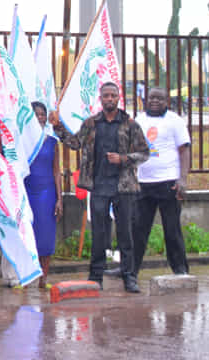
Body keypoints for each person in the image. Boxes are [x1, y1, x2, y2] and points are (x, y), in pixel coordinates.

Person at [49, 82, 149, 293]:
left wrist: (123, 158)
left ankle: (129, 276)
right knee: (99, 234)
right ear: (101, 98)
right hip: (98, 185)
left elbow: (144, 153)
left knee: (125, 234)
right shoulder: (91, 124)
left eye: (113, 95)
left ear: (118, 97)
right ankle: (96, 276)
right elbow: (75, 143)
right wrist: (58, 128)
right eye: (106, 96)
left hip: (124, 186)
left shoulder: (130, 124)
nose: (109, 99)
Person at [132, 87, 191, 277]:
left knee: (172, 228)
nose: (155, 101)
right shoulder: (139, 120)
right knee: (138, 229)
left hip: (168, 183)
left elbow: (184, 150)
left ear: (167, 101)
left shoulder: (175, 121)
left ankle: (180, 269)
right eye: (151, 98)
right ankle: (131, 270)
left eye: (160, 98)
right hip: (143, 182)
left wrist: (182, 179)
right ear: (145, 100)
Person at [26, 102, 63, 289]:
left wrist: (59, 199)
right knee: (26, 234)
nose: (39, 118)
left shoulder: (51, 141)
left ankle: (43, 279)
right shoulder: (21, 141)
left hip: (47, 192)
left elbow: (56, 171)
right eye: (35, 114)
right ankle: (25, 278)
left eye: (42, 114)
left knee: (46, 236)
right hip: (26, 191)